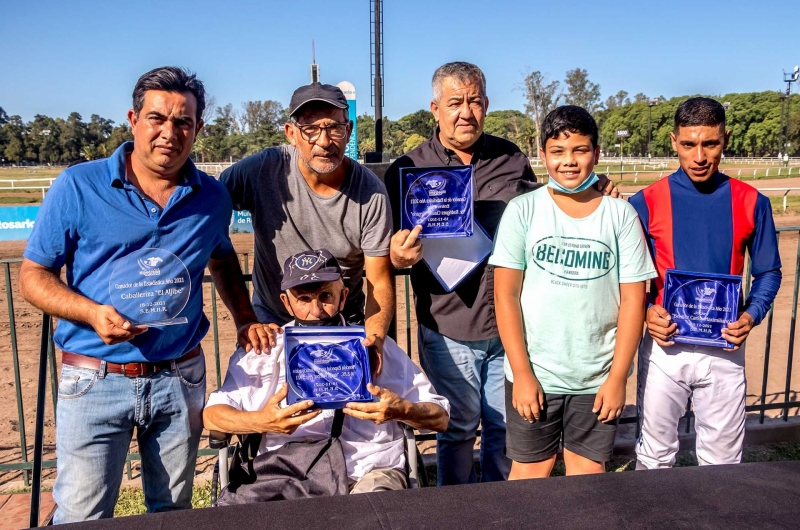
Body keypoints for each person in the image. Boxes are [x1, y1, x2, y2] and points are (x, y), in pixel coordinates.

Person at [19, 67, 269, 523]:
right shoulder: (78, 186)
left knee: (172, 512)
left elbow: (223, 258)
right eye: (157, 118)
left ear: (198, 129)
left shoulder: (212, 197)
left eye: (183, 122)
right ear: (134, 119)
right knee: (82, 514)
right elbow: (34, 275)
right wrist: (91, 312)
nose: (169, 133)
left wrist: (246, 318)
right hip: (95, 378)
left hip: (180, 378)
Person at [384, 62, 617, 485]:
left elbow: (550, 208)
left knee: (504, 431)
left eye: (474, 101)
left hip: (511, 325)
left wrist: (595, 191)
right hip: (448, 326)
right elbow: (387, 252)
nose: (465, 112)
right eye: (455, 103)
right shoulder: (407, 169)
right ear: (435, 109)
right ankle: (455, 509)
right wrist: (397, 258)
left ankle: (500, 509)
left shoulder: (512, 159)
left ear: (486, 105)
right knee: (454, 429)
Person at [490, 105, 656, 478]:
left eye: (580, 150)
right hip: (536, 375)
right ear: (543, 154)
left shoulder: (620, 216)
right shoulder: (523, 211)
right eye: (558, 151)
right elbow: (505, 296)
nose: (569, 161)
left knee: (587, 478)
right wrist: (523, 373)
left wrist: (617, 379)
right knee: (530, 476)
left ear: (596, 154)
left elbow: (633, 300)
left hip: (596, 379)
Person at [203, 249, 450, 493]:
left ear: (343, 297)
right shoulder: (265, 351)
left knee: (373, 512)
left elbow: (440, 417)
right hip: (287, 473)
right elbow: (212, 416)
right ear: (286, 302)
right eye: (303, 298)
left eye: (325, 296)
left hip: (367, 470)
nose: (316, 309)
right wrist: (264, 422)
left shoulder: (374, 347)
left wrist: (401, 410)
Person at [630, 97, 782, 469]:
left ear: (725, 139)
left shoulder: (752, 201)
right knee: (654, 456)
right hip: (665, 346)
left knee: (723, 462)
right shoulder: (645, 201)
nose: (699, 156)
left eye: (709, 143)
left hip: (725, 348)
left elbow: (768, 271)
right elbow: (630, 279)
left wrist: (752, 314)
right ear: (673, 141)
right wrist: (648, 311)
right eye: (688, 144)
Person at [220, 83, 393, 373]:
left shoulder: (370, 193)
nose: (324, 141)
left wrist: (373, 339)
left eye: (334, 128)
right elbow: (203, 207)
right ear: (291, 134)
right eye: (310, 128)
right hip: (271, 328)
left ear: (348, 131)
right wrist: (245, 319)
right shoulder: (261, 170)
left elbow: (380, 280)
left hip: (340, 324)